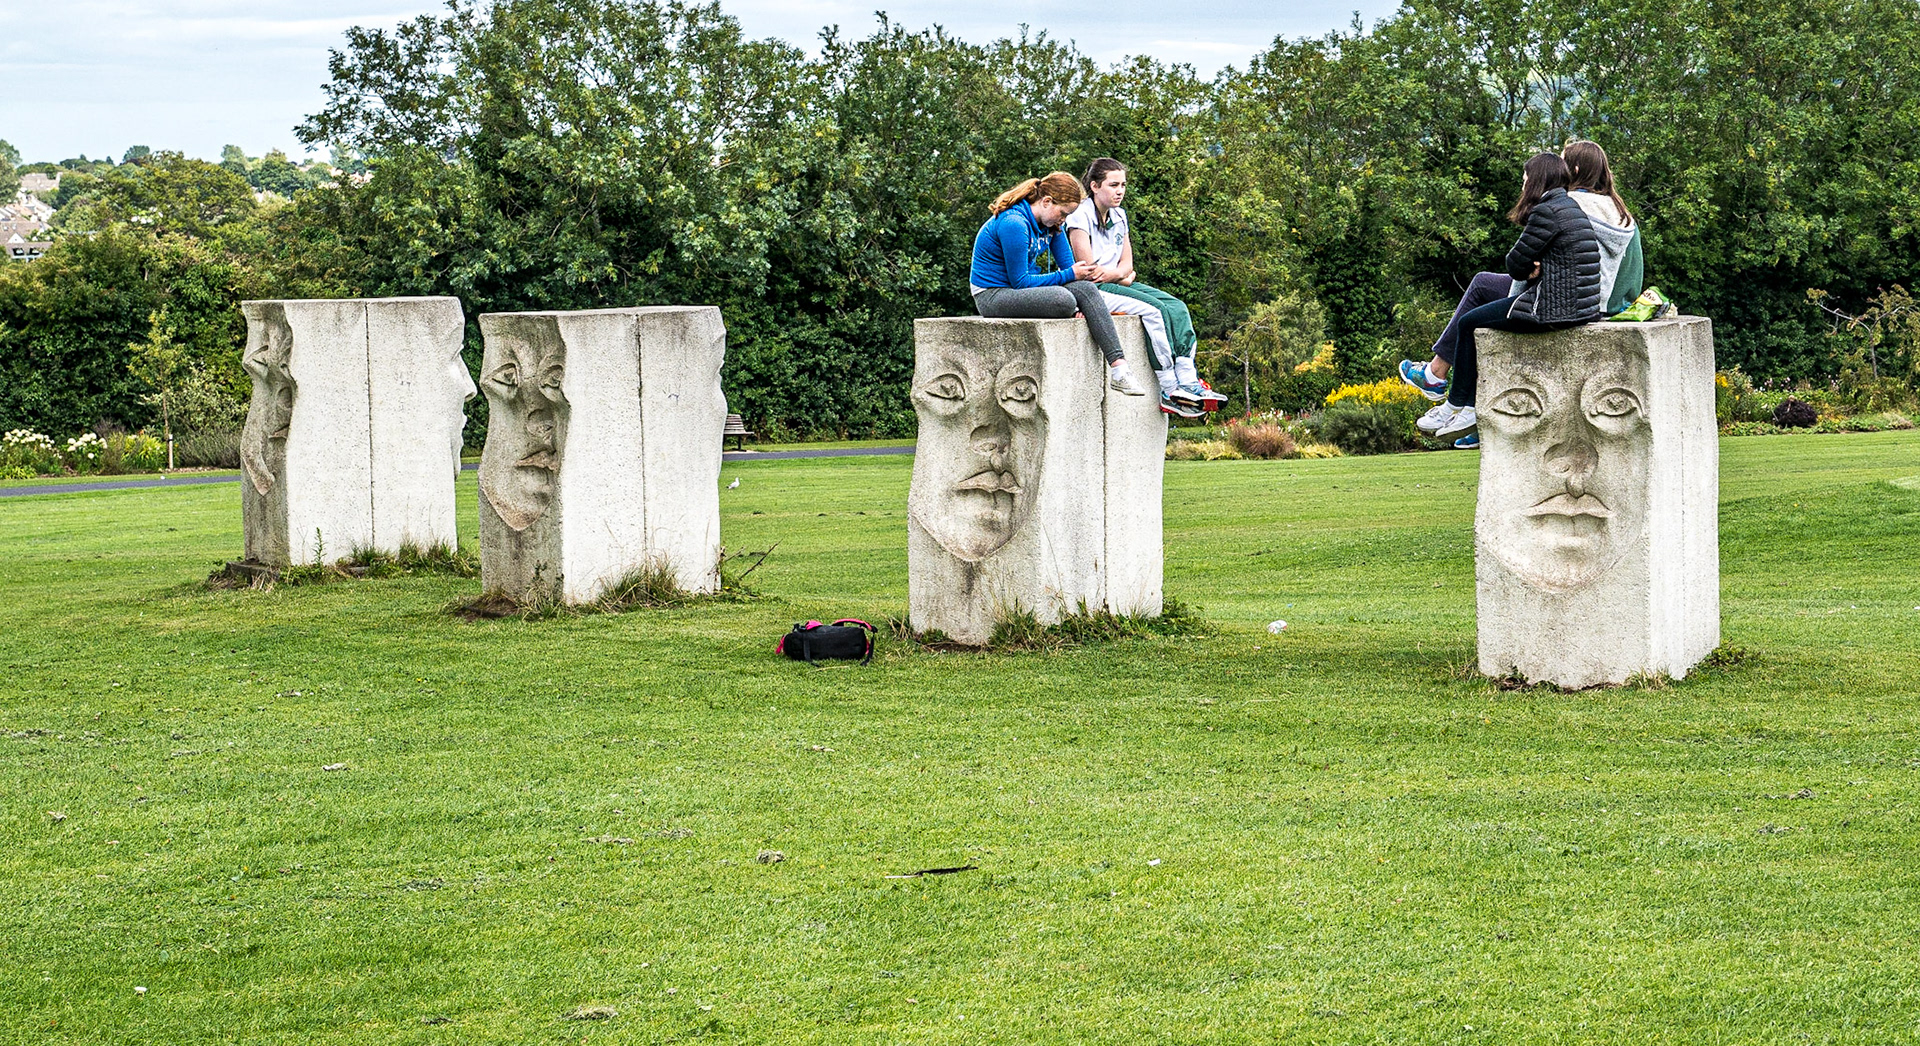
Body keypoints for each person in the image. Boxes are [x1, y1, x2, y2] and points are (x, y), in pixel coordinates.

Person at [1402, 140, 1641, 446]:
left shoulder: (1562, 205)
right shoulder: (1619, 211)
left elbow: (1518, 263)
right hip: (1594, 301)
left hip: (1555, 302)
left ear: (1574, 170)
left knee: (1477, 304)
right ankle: (1458, 400)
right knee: (1485, 303)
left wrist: (1527, 277)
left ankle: (1444, 385)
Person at [1063, 158, 1226, 418]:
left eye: (1123, 185)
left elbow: (1128, 264)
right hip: (1094, 291)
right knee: (1156, 311)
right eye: (1113, 185)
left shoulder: (1119, 215)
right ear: (1094, 186)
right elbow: (1091, 272)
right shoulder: (1079, 217)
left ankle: (1188, 380)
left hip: (1115, 282)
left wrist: (1119, 275)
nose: (1120, 191)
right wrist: (1121, 276)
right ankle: (1169, 388)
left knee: (1178, 307)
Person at [970, 171, 1146, 396]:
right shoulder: (1014, 223)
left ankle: (1120, 369)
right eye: (1063, 213)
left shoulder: (1051, 226)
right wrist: (1073, 291)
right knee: (1063, 300)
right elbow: (1021, 281)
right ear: (1046, 201)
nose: (1064, 220)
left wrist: (1089, 293)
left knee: (1085, 289)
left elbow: (1074, 272)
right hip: (992, 296)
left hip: (1019, 290)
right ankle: (1071, 309)